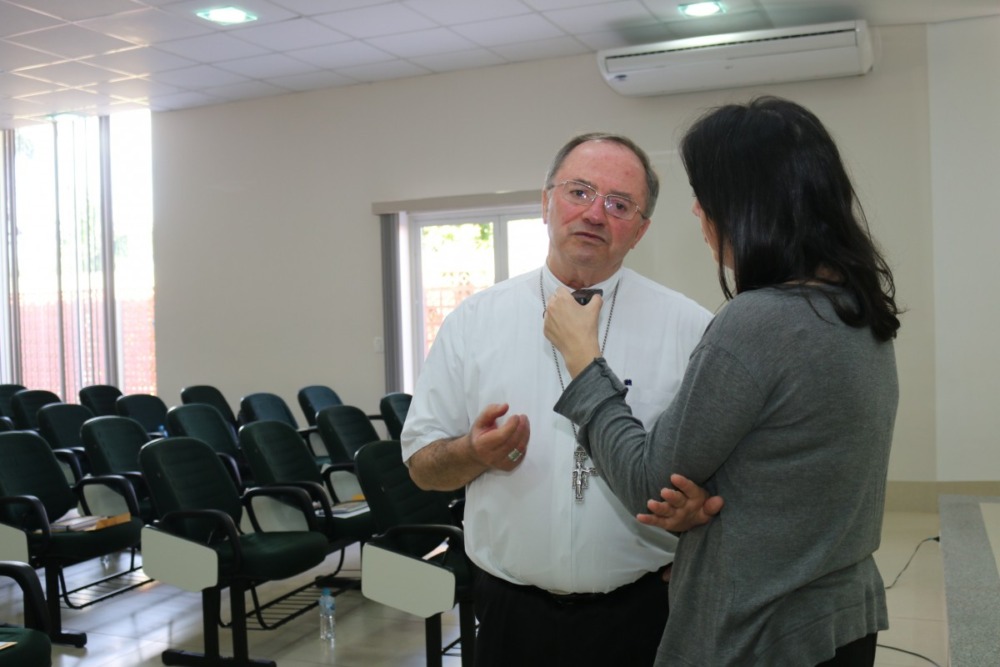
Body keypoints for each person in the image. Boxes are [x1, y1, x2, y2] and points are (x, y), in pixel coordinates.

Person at [544, 96, 901, 667]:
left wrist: (583, 359)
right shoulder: (855, 309)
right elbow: (789, 464)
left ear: (749, 207)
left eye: (706, 196)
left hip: (762, 630)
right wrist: (706, 506)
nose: (697, 211)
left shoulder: (757, 322)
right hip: (837, 618)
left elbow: (646, 482)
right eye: (579, 193)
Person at [401, 132, 713, 666]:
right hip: (510, 616)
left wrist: (697, 508)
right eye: (579, 192)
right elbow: (422, 468)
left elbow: (722, 480)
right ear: (545, 201)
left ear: (640, 230)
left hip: (644, 614)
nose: (595, 214)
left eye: (619, 204)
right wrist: (472, 454)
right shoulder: (474, 322)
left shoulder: (690, 328)